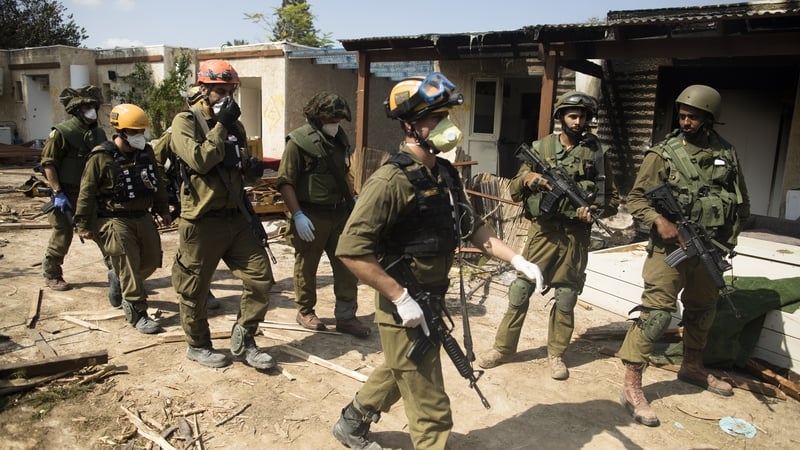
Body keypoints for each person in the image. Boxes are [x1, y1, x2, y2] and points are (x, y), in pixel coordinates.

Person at [331, 72, 544, 450]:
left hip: (430, 298)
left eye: (445, 115)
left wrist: (517, 260)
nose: (447, 125)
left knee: (402, 365)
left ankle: (351, 422)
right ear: (410, 125)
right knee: (432, 410)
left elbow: (472, 227)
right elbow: (351, 250)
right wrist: (398, 296)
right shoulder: (390, 181)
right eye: (435, 117)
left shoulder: (444, 174)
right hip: (403, 305)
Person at [617, 85, 750, 427]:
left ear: (710, 118)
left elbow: (741, 202)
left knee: (703, 309)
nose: (685, 121)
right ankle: (632, 385)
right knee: (656, 314)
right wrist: (659, 220)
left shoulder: (727, 153)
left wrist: (729, 240)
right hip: (671, 250)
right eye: (683, 115)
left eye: (693, 117)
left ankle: (692, 366)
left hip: (709, 248)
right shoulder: (662, 154)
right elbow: (636, 198)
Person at [479, 91, 620, 380]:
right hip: (542, 232)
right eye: (572, 116)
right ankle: (503, 349)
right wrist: (529, 178)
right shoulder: (541, 149)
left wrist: (595, 211)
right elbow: (515, 190)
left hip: (574, 236)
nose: (578, 122)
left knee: (566, 296)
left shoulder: (598, 154)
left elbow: (612, 200)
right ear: (561, 117)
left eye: (583, 117)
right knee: (520, 290)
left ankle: (556, 354)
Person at [169, 59, 275, 370]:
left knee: (261, 278)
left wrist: (252, 168)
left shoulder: (236, 126)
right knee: (194, 287)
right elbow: (199, 160)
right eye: (220, 91)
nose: (227, 97)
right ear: (203, 89)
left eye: (231, 91)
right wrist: (221, 125)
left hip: (236, 217)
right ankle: (198, 344)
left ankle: (245, 337)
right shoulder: (186, 122)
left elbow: (243, 168)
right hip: (202, 220)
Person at [276, 92, 369, 337]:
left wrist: (352, 197)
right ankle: (305, 311)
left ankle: (346, 316)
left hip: (339, 213)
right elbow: (285, 182)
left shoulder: (339, 139)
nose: (335, 124)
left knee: (347, 264)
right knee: (307, 266)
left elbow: (343, 172)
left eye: (339, 119)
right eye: (331, 119)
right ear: (317, 118)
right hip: (311, 214)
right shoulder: (298, 142)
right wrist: (297, 215)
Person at [74, 104, 171, 334]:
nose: (140, 136)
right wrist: (83, 224)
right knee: (128, 264)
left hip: (143, 215)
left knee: (151, 260)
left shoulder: (146, 152)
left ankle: (118, 277)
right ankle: (138, 313)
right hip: (115, 218)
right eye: (135, 132)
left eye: (142, 131)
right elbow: (86, 191)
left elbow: (157, 183)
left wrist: (163, 209)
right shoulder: (101, 156)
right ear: (121, 131)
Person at [39, 85, 107, 291]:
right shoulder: (61, 133)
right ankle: (52, 273)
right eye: (87, 107)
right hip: (66, 193)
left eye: (93, 107)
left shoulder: (98, 134)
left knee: (103, 231)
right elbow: (48, 164)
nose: (92, 111)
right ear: (77, 110)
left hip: (91, 193)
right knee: (63, 233)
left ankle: (118, 272)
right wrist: (57, 191)